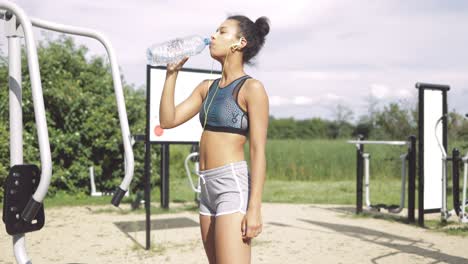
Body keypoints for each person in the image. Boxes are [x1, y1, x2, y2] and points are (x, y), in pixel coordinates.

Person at [159, 15, 270, 264]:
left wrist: (254, 208)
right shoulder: (206, 87)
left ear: (239, 43)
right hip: (206, 186)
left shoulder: (252, 89)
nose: (213, 36)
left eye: (222, 32)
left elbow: (258, 151)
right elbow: (168, 120)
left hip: (232, 184)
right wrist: (171, 74)